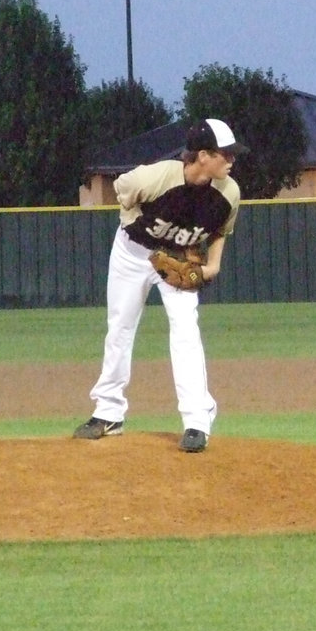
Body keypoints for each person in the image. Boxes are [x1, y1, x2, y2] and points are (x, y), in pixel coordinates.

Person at [74, 118, 248, 453]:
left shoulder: (229, 193)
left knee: (185, 330)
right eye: (224, 154)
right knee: (120, 328)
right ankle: (108, 413)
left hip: (178, 258)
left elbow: (220, 231)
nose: (231, 160)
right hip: (133, 252)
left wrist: (212, 266)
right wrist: (145, 225)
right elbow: (123, 191)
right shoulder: (155, 177)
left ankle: (198, 418)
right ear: (201, 156)